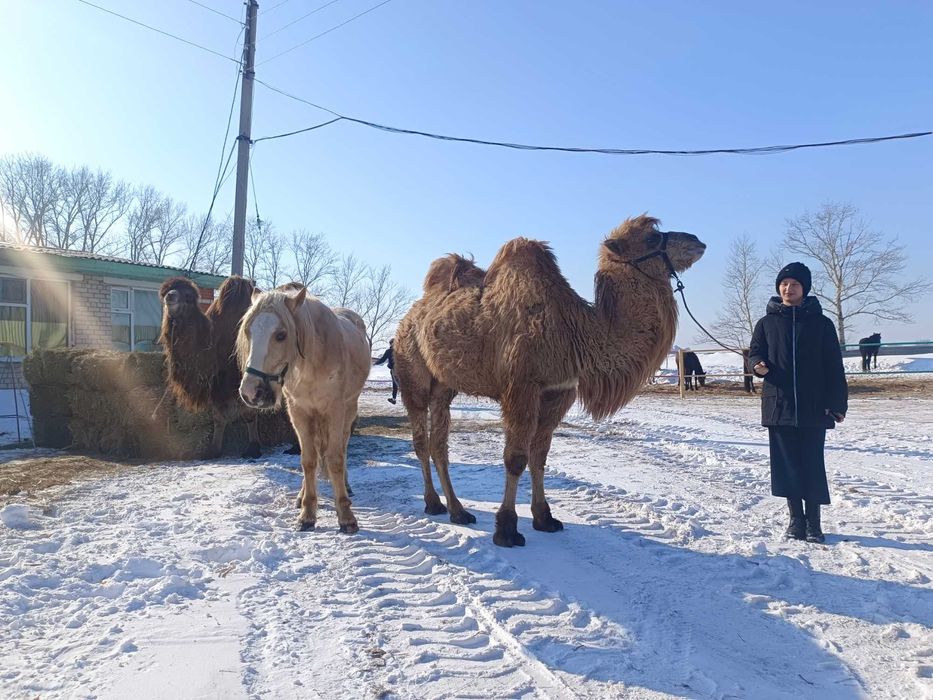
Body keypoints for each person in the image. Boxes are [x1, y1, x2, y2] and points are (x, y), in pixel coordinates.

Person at [748, 262, 848, 544]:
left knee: (811, 464)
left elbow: (834, 367)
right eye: (784, 284)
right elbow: (754, 354)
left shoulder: (822, 324)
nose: (787, 289)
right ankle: (795, 520)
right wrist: (758, 366)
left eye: (794, 284)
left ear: (804, 289)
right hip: (779, 404)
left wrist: (838, 403)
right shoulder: (766, 324)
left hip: (814, 406)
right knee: (787, 465)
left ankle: (814, 523)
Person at [373, 339, 398, 404]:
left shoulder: (389, 351)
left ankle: (394, 399)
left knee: (396, 384)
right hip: (401, 369)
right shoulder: (400, 350)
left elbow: (382, 360)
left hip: (395, 370)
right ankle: (394, 398)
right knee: (396, 385)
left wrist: (375, 363)